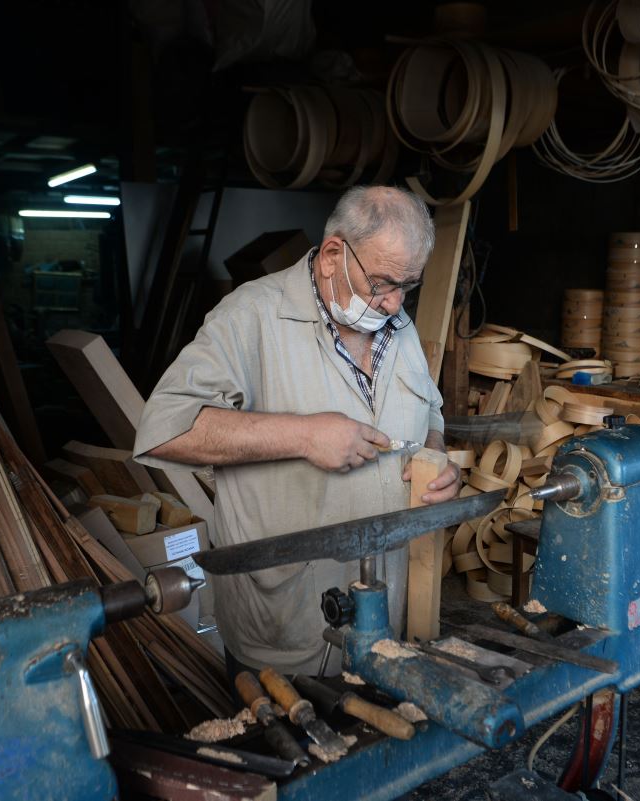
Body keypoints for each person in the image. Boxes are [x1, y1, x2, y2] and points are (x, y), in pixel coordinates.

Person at [134, 185, 461, 675]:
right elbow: (165, 429)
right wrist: (304, 436)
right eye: (382, 283)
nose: (394, 303)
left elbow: (430, 413)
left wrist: (437, 460)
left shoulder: (399, 328)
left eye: (407, 286)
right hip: (287, 632)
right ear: (332, 255)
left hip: (386, 626)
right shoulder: (251, 317)